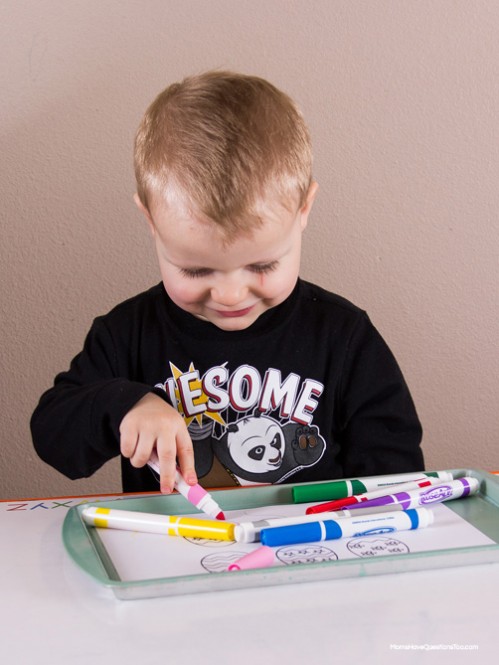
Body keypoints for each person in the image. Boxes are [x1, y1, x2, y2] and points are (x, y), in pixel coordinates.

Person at [31, 70, 424, 495]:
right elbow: (53, 436)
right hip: (172, 553)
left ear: (303, 210)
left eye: (263, 265)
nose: (231, 294)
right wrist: (124, 405)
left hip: (312, 550)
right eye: (197, 271)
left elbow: (396, 471)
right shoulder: (127, 334)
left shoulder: (343, 336)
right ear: (150, 221)